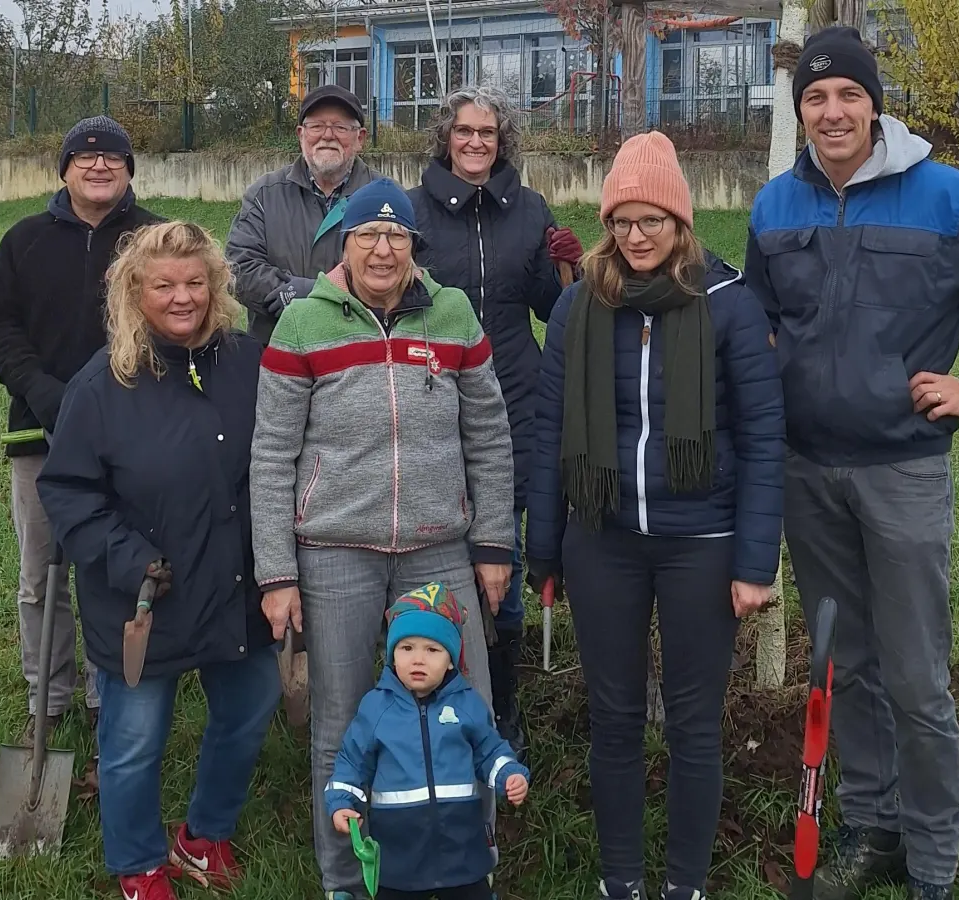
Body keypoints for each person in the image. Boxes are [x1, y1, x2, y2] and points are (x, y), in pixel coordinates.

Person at [743, 27, 959, 900]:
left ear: (874, 102)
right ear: (800, 110)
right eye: (814, 98)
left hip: (902, 471)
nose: (831, 112)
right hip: (807, 472)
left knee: (917, 674)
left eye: (847, 94)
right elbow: (756, 320)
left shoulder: (949, 199)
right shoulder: (776, 206)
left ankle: (933, 857)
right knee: (843, 663)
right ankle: (876, 824)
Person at [526, 132, 786, 900]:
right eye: (622, 223)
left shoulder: (730, 305)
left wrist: (753, 561)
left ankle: (685, 885)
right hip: (602, 541)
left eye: (653, 221)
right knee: (612, 719)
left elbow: (765, 436)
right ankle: (621, 881)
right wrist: (545, 551)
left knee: (694, 726)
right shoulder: (578, 306)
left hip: (701, 543)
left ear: (681, 220)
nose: (636, 238)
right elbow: (550, 432)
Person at [250, 177, 515, 900]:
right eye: (368, 234)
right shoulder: (304, 322)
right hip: (335, 551)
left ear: (415, 248)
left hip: (438, 546)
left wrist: (493, 543)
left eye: (397, 236)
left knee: (470, 712)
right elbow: (271, 454)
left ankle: (471, 867)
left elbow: (489, 436)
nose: (382, 248)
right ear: (345, 244)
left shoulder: (454, 315)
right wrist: (277, 574)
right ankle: (347, 880)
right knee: (338, 724)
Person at [37, 222, 281, 900]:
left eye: (196, 283)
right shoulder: (102, 384)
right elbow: (67, 492)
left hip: (236, 584)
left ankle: (203, 836)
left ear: (217, 286)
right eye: (164, 286)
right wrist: (131, 561)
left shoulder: (249, 361)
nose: (183, 299)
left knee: (251, 704)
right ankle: (139, 863)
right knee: (135, 739)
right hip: (145, 600)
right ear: (133, 291)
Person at [0, 115, 161, 743]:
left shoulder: (155, 239)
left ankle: (110, 692)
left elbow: (184, 319)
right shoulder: (24, 240)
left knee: (112, 569)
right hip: (40, 435)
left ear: (130, 169)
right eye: (85, 156)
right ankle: (46, 700)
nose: (99, 165)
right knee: (41, 575)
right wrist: (44, 394)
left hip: (131, 438)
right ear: (64, 169)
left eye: (113, 156)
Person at [408, 86, 583, 760]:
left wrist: (565, 264)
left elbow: (549, 304)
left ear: (502, 140)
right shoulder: (416, 209)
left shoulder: (528, 208)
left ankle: (503, 703)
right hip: (435, 396)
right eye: (464, 131)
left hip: (516, 395)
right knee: (440, 549)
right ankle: (431, 684)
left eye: (488, 132)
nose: (477, 142)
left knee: (500, 555)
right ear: (445, 139)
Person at [326, 582, 531, 900]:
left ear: (451, 659)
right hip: (399, 851)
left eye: (432, 650)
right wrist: (341, 803)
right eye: (406, 648)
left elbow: (489, 749)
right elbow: (352, 761)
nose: (418, 659)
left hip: (461, 847)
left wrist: (510, 774)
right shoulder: (377, 708)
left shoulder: (466, 703)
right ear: (392, 654)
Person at [226, 84, 380, 345]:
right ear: (301, 134)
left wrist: (313, 292)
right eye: (316, 126)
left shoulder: (384, 197)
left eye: (340, 127)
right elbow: (239, 268)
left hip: (359, 357)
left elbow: (399, 273)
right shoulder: (264, 194)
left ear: (360, 138)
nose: (327, 136)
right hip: (278, 351)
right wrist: (284, 291)